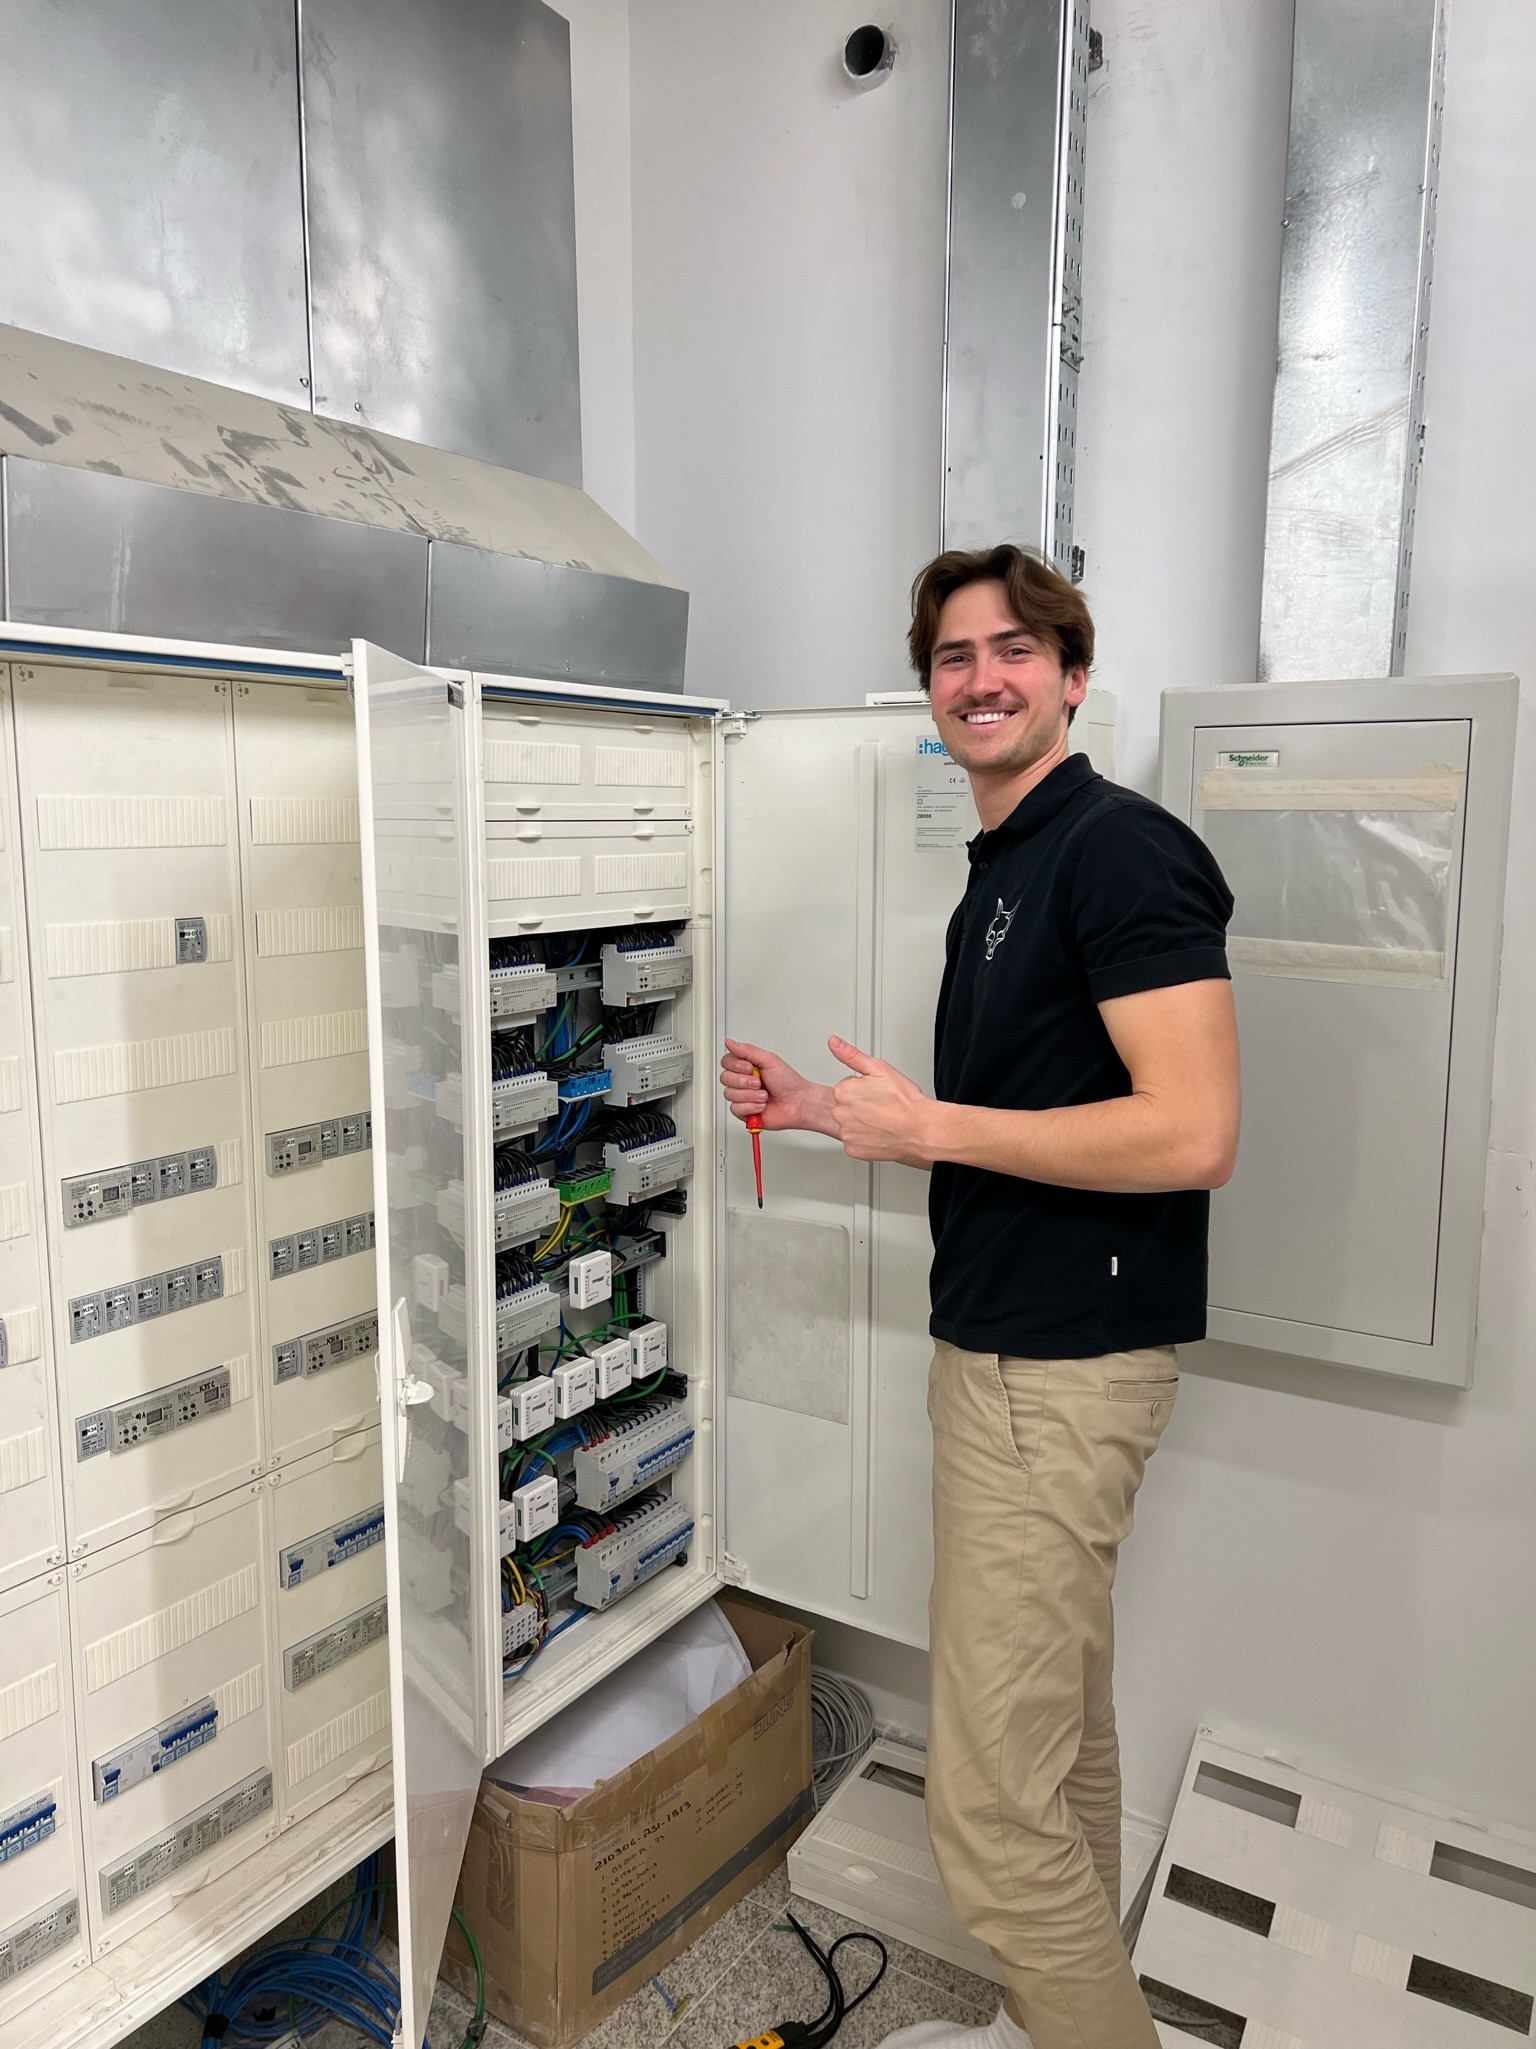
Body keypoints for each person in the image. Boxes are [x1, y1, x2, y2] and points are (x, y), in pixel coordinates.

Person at [720, 544, 1239, 2049]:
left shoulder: (1119, 852)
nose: (983, 677)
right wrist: (822, 1110)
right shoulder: (1010, 865)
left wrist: (933, 1126)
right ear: (930, 691)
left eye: (1016, 649)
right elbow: (1032, 1110)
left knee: (993, 1814)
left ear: (1072, 677)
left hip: (1053, 1375)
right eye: (955, 656)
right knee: (1060, 1737)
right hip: (1017, 1354)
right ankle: (1041, 2024)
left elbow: (1193, 1132)